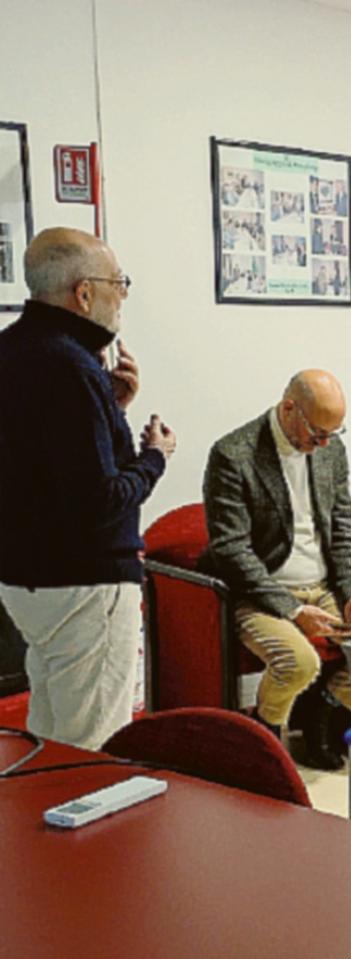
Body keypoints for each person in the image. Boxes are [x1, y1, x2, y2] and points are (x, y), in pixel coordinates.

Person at [0, 228, 176, 749]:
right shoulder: (72, 366)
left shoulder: (13, 351)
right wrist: (154, 458)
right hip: (84, 583)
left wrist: (111, 408)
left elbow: (43, 463)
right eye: (118, 282)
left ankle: (35, 826)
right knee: (93, 747)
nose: (121, 295)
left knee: (51, 734)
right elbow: (99, 501)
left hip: (25, 580)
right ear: (83, 293)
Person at [202, 371, 351, 769]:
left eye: (335, 433)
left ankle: (326, 708)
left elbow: (344, 529)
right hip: (261, 596)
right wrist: (293, 610)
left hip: (324, 588)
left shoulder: (331, 451)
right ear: (288, 409)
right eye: (318, 433)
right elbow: (230, 549)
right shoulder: (234, 453)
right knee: (298, 662)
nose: (325, 444)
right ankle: (264, 744)